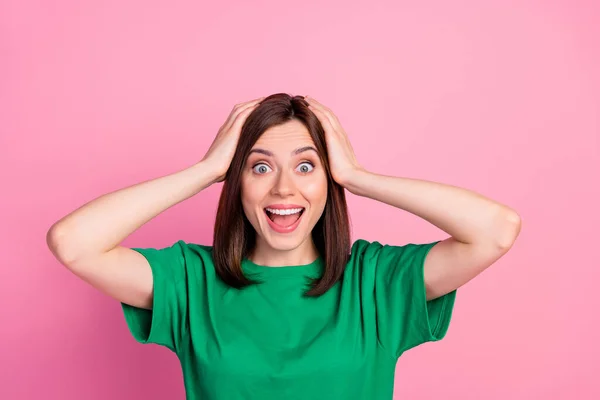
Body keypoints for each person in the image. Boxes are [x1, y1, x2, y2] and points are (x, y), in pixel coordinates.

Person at [46, 93, 521, 399]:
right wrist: (205, 171)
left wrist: (357, 177)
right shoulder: (192, 281)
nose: (283, 190)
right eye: (259, 167)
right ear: (238, 184)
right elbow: (73, 243)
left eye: (306, 166)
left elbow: (496, 228)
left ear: (327, 181)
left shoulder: (374, 283)